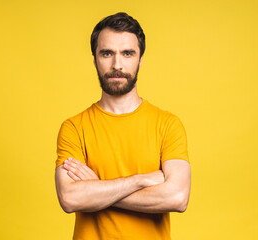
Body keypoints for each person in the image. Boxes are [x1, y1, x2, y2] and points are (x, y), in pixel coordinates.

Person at [54, 12, 191, 240]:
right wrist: (139, 181)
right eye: (107, 53)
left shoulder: (168, 124)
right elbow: (70, 199)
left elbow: (177, 197)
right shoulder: (74, 127)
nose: (117, 64)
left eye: (127, 53)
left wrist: (97, 188)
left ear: (140, 60)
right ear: (95, 59)